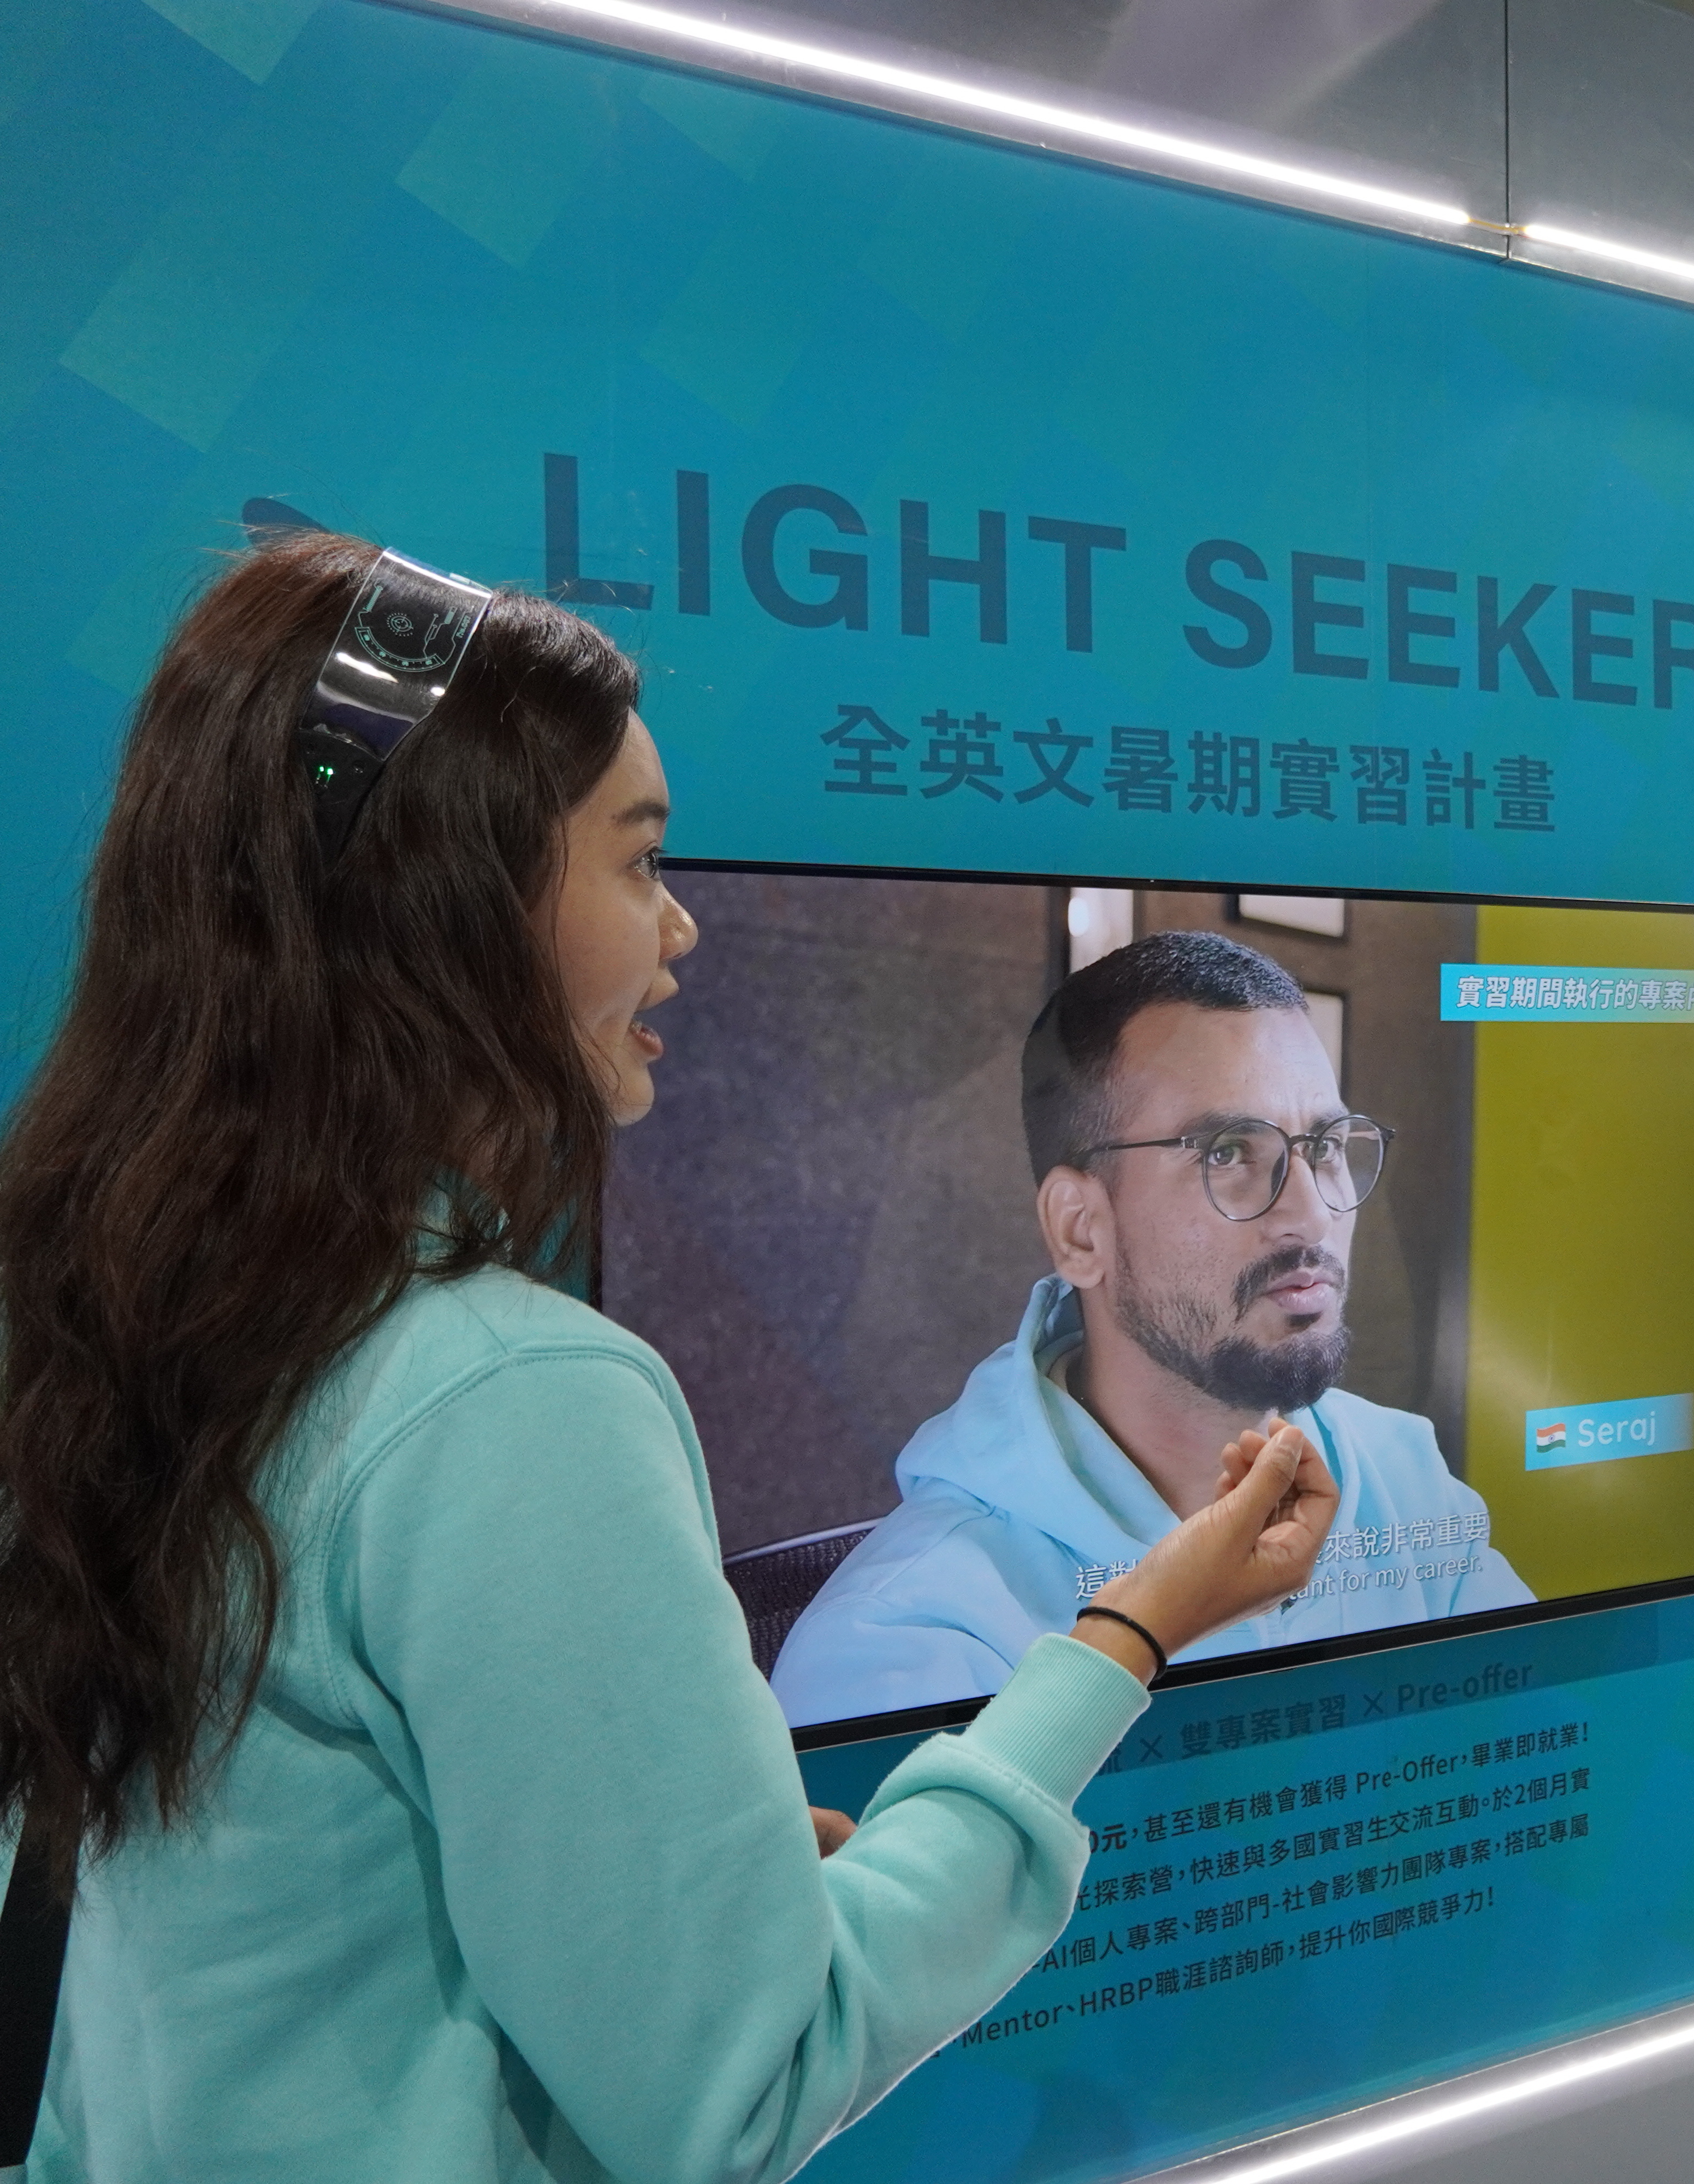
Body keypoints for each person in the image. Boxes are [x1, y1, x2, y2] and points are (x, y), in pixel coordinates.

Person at [0, 533, 1332, 2181]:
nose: (683, 927)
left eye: (1323, 1144)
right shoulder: (513, 1403)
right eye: (636, 863)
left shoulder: (123, 1333)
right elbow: (745, 2085)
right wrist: (1132, 1635)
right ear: (455, 900)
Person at [772, 931, 1530, 1729]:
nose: (1313, 1213)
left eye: (1327, 1147)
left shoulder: (1398, 1481)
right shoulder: (912, 1645)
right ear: (1082, 1234)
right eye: (1230, 1151)